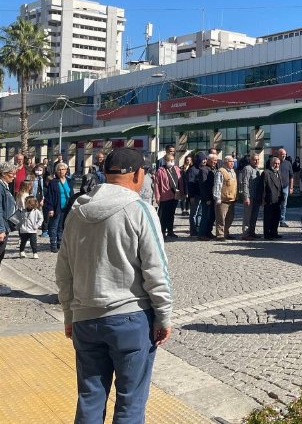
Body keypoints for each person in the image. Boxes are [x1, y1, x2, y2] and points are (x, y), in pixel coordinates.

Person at [55, 147, 172, 423]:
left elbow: (63, 270)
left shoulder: (77, 211)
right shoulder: (140, 210)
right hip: (130, 319)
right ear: (137, 174)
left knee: (90, 399)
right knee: (131, 402)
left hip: (86, 319)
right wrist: (164, 316)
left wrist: (70, 315)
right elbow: (156, 271)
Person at [45, 162, 72, 253]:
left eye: (63, 169)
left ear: (66, 170)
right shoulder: (53, 182)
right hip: (56, 207)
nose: (61, 171)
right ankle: (53, 244)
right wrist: (50, 208)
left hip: (66, 207)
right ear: (56, 171)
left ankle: (59, 243)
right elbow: (49, 196)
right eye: (59, 169)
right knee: (54, 226)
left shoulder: (69, 181)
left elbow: (71, 194)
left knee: (62, 226)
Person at [154, 153, 182, 239]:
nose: (171, 162)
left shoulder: (176, 169)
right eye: (169, 160)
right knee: (163, 216)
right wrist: (157, 197)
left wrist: (182, 192)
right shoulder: (160, 170)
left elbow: (180, 181)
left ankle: (170, 231)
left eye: (172, 160)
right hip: (164, 196)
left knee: (171, 215)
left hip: (175, 195)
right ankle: (162, 232)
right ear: (165, 161)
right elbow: (156, 184)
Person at [0, 162, 18, 295]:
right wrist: (1, 229)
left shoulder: (4, 186)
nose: (14, 176)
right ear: (3, 174)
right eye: (12, 174)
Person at [213, 155, 238, 240]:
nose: (232, 163)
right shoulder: (221, 171)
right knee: (221, 218)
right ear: (226, 162)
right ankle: (220, 235)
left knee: (230, 218)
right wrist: (217, 198)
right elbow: (217, 185)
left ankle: (226, 233)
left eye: (233, 162)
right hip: (223, 199)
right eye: (231, 161)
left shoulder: (233, 172)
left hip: (231, 199)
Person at [239, 153, 262, 240]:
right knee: (247, 216)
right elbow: (245, 183)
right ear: (251, 160)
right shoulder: (247, 169)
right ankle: (245, 234)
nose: (257, 161)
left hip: (256, 197)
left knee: (254, 216)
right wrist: (246, 197)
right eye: (255, 160)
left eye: (258, 160)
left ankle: (251, 232)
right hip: (249, 197)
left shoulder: (257, 169)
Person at [261, 156, 283, 240]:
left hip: (277, 199)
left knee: (276, 217)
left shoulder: (278, 172)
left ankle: (274, 232)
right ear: (271, 163)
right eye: (275, 163)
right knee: (268, 218)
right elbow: (263, 187)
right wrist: (263, 199)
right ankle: (267, 234)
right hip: (269, 199)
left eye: (278, 164)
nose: (277, 165)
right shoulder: (266, 173)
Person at [197, 154, 218, 240]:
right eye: (214, 160)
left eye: (216, 160)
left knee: (212, 217)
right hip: (207, 198)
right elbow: (203, 186)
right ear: (208, 160)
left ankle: (208, 232)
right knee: (205, 216)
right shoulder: (203, 170)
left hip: (213, 197)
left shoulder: (214, 169)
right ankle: (202, 234)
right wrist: (207, 199)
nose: (215, 162)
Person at [186, 152, 205, 237]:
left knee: (200, 213)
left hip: (202, 195)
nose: (204, 161)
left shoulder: (203, 168)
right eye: (202, 159)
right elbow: (190, 184)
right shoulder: (192, 169)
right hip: (195, 195)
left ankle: (198, 229)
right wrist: (191, 196)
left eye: (205, 159)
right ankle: (193, 231)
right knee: (193, 214)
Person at [277, 148, 294, 227]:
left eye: (285, 154)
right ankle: (275, 220)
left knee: (284, 204)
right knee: (276, 204)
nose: (283, 156)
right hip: (276, 188)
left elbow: (291, 176)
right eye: (282, 154)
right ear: (278, 155)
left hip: (285, 187)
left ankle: (282, 220)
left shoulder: (288, 163)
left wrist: (291, 187)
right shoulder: (274, 162)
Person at [31, 163, 48, 237]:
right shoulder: (32, 177)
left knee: (42, 215)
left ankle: (43, 230)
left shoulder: (43, 178)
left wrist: (43, 199)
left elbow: (43, 189)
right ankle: (31, 231)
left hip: (41, 198)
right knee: (32, 215)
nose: (38, 171)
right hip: (33, 198)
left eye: (40, 170)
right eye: (37, 170)